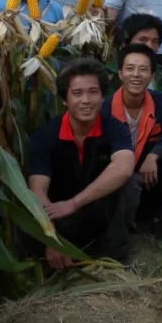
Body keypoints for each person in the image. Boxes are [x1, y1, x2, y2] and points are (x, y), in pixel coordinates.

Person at [26, 59, 135, 267]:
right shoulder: (44, 137)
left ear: (102, 97)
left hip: (96, 210)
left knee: (129, 184)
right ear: (64, 100)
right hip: (61, 216)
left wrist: (74, 203)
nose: (86, 100)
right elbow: (37, 190)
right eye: (77, 93)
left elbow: (124, 168)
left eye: (93, 92)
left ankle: (115, 258)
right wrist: (51, 237)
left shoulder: (115, 128)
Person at [104, 44, 162, 230]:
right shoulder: (105, 109)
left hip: (150, 174)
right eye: (130, 68)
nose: (136, 75)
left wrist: (155, 155)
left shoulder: (160, 101)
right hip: (118, 176)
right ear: (120, 74)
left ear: (152, 76)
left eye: (143, 69)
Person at [119, 14, 162, 117]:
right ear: (125, 43)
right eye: (143, 40)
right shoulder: (109, 75)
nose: (150, 46)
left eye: (155, 41)